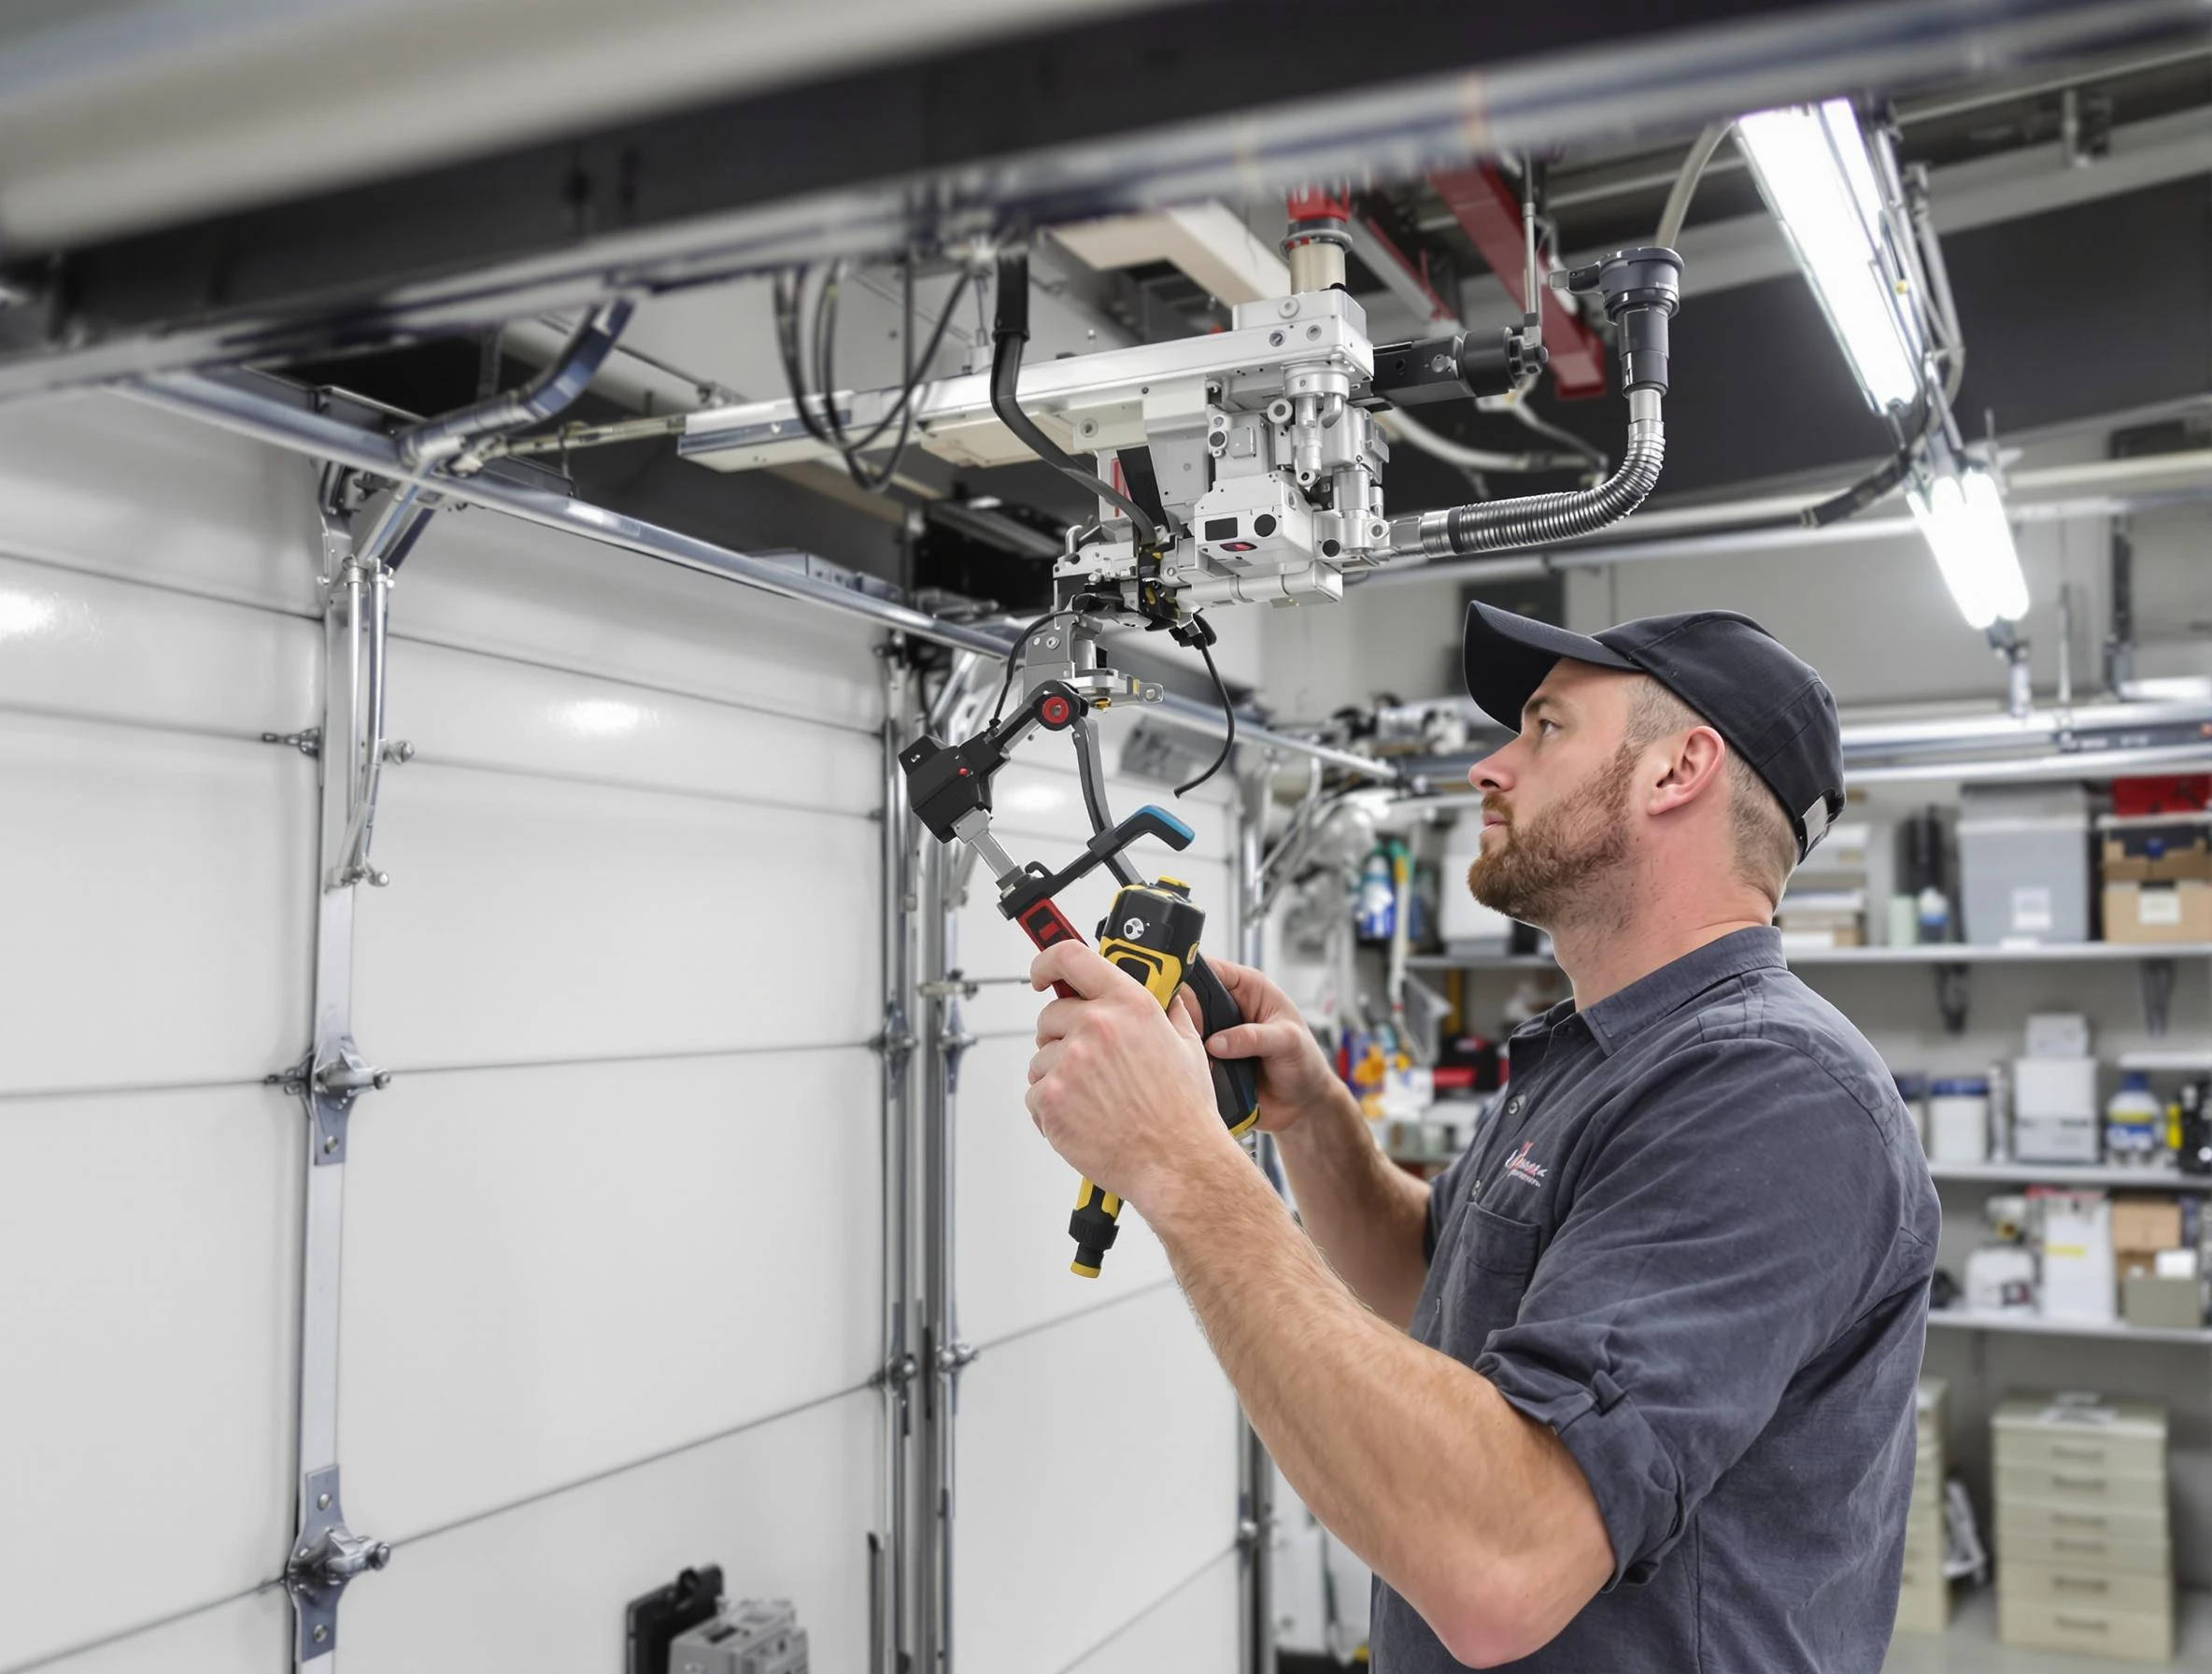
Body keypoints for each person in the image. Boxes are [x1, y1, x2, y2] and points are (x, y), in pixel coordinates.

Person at [1022, 604, 1939, 1670]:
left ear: (1678, 769)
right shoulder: (1597, 1054)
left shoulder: (1769, 1089)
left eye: (1545, 727)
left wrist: (1178, 1160)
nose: (1489, 769)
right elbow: (1432, 1286)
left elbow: (1502, 1561)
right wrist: (1312, 1118)